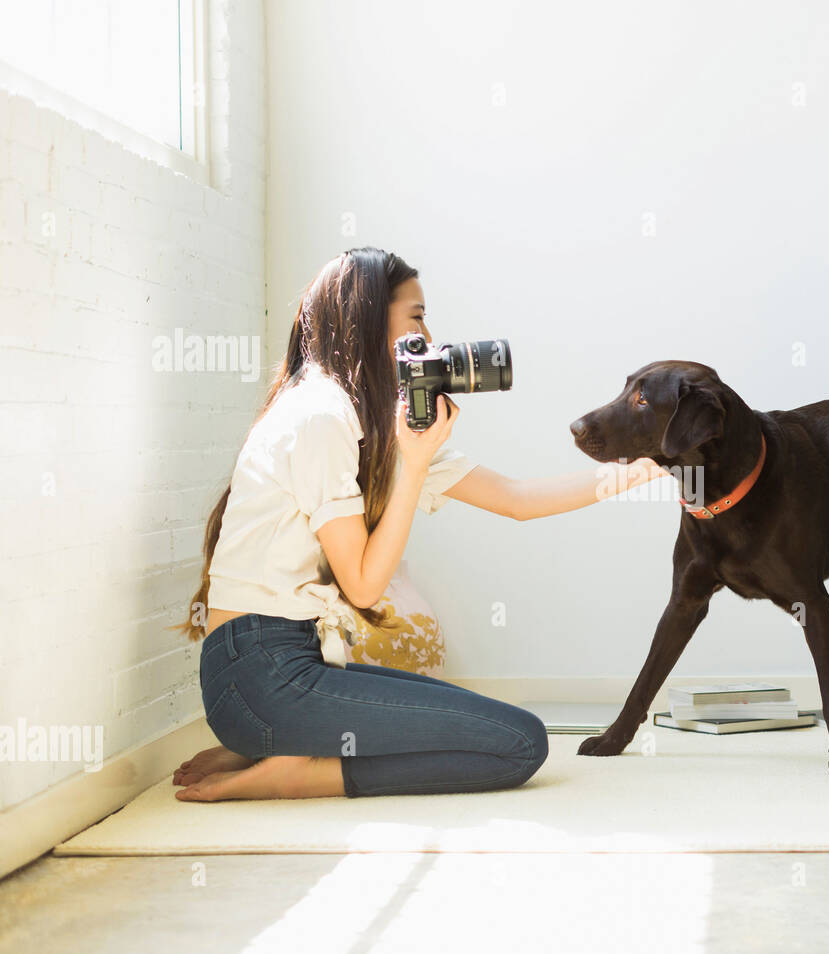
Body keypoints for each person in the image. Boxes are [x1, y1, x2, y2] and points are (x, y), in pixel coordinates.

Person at [171, 246, 667, 801]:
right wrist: (413, 464)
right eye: (417, 317)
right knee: (519, 744)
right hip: (258, 676)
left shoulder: (371, 426)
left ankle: (273, 742)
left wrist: (650, 467)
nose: (430, 338)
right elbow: (362, 585)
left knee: (505, 731)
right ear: (366, 318)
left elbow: (518, 499)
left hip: (278, 668)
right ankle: (295, 771)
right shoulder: (319, 415)